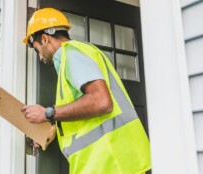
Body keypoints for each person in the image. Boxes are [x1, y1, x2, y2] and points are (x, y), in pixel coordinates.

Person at [21, 8, 151, 174]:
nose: (40, 57)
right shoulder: (75, 56)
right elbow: (84, 110)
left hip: (111, 163)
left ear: (45, 39)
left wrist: (47, 113)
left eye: (37, 49)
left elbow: (101, 102)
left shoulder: (72, 55)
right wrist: (53, 128)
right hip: (109, 162)